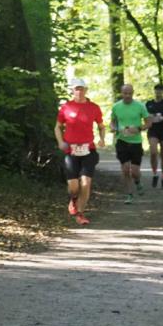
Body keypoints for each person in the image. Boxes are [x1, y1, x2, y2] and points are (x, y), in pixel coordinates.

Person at [55, 78, 106, 225]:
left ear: (86, 90)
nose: (79, 91)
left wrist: (102, 139)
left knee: (86, 182)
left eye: (82, 88)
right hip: (71, 151)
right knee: (73, 186)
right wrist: (60, 142)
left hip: (89, 150)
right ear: (72, 90)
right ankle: (73, 199)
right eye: (76, 88)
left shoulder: (94, 107)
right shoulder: (66, 107)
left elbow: (101, 126)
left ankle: (80, 213)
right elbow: (57, 126)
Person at [110, 84, 151, 204]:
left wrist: (138, 128)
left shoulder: (140, 106)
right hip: (121, 140)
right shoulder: (116, 107)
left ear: (133, 93)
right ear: (121, 93)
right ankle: (129, 194)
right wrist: (114, 128)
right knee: (125, 169)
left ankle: (137, 181)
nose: (127, 95)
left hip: (136, 142)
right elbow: (113, 122)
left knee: (134, 171)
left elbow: (148, 123)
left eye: (129, 93)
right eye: (125, 93)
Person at [145, 83, 163, 189]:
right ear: (154, 91)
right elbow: (145, 116)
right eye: (157, 90)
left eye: (160, 90)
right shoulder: (149, 104)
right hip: (153, 130)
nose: (158, 92)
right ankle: (155, 174)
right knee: (153, 152)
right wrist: (150, 118)